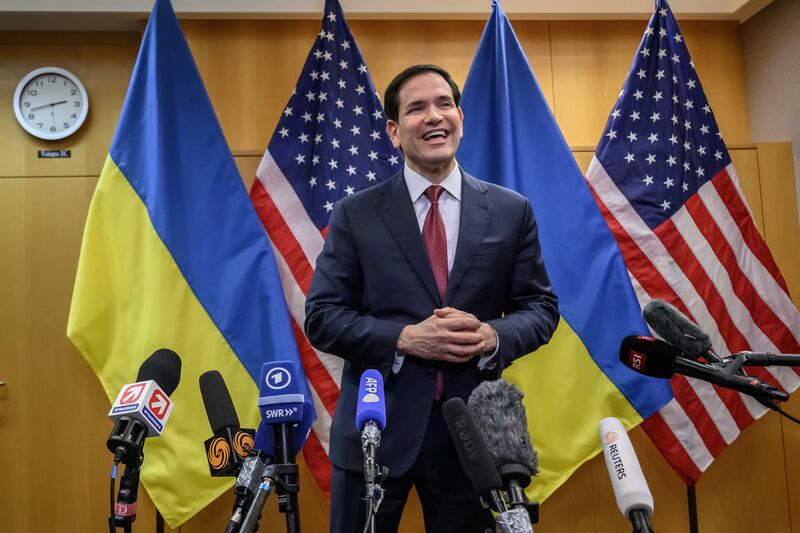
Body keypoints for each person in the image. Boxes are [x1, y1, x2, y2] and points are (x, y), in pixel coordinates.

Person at [305, 64, 559, 533]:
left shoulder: (510, 211)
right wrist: (403, 338)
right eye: (416, 108)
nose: (433, 116)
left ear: (460, 116)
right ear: (394, 131)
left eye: (443, 104)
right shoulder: (355, 214)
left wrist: (490, 335)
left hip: (475, 438)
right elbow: (322, 317)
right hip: (375, 431)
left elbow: (540, 309)